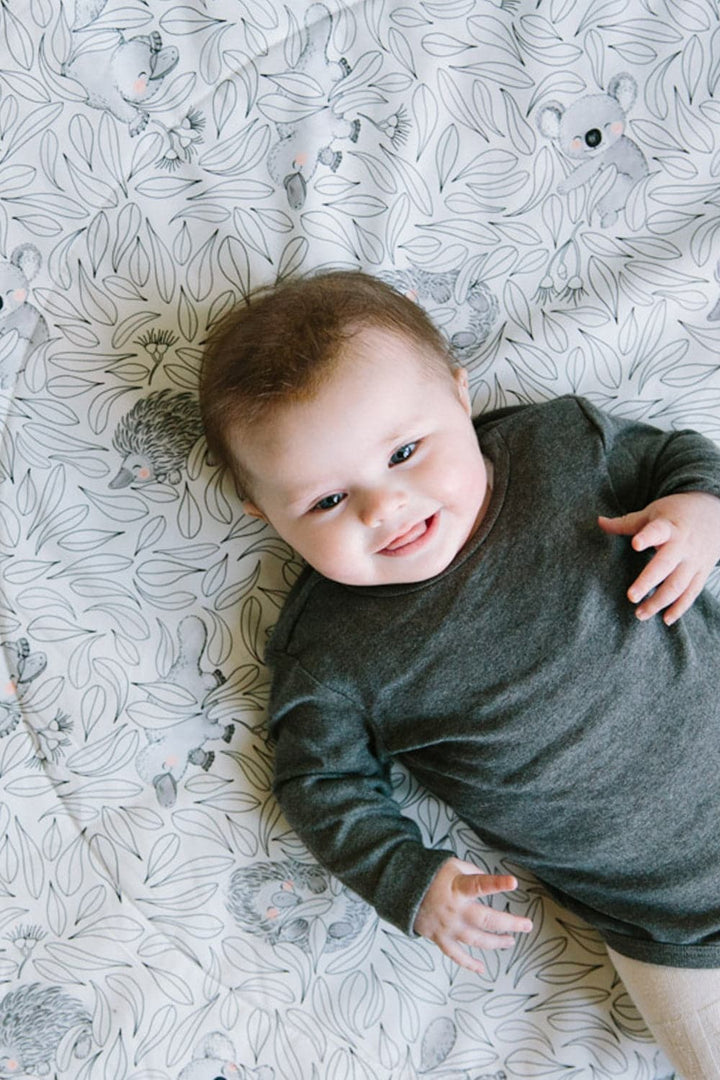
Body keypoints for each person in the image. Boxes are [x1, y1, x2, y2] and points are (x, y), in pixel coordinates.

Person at [200, 269, 720, 1079]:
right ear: (267, 516)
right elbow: (319, 783)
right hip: (670, 930)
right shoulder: (331, 651)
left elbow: (677, 456)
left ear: (458, 393)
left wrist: (699, 509)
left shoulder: (560, 448)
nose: (385, 508)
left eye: (406, 452)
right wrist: (409, 878)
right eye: (328, 501)